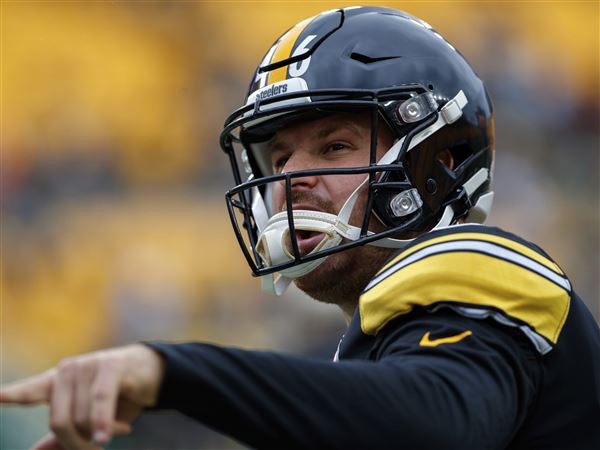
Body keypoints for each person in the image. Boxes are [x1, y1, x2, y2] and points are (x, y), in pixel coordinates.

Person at [1, 6, 599, 450]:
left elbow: (430, 426)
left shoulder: (484, 267)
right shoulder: (367, 350)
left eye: (333, 147)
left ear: (437, 164)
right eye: (280, 158)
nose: (289, 179)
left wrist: (174, 371)